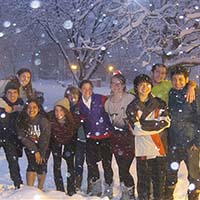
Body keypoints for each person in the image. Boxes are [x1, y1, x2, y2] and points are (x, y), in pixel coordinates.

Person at [126, 74, 170, 200]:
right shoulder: (132, 107)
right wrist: (155, 125)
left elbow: (166, 122)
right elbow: (136, 130)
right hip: (142, 149)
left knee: (159, 182)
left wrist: (144, 124)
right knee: (143, 183)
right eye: (141, 85)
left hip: (159, 147)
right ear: (136, 87)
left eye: (147, 84)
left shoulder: (160, 103)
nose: (145, 87)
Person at [165, 66, 200, 200]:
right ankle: (168, 197)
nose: (177, 82)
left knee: (194, 174)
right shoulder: (172, 93)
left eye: (181, 79)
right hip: (174, 142)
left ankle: (193, 196)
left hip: (190, 142)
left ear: (186, 79)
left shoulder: (194, 92)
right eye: (174, 79)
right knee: (170, 173)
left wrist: (197, 142)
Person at [78, 80, 113, 198]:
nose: (87, 91)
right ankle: (97, 188)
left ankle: (109, 189)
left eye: (89, 88)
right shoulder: (79, 104)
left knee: (107, 164)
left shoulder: (101, 99)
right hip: (91, 137)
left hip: (106, 136)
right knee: (92, 164)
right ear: (80, 90)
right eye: (84, 88)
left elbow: (113, 105)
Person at [104, 73, 136, 200]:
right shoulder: (107, 103)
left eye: (119, 83)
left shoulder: (130, 98)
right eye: (113, 83)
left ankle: (131, 191)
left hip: (129, 137)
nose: (116, 86)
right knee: (120, 166)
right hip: (116, 139)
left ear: (123, 85)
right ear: (110, 85)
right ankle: (125, 192)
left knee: (125, 168)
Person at [16, 99, 50, 190]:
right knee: (31, 164)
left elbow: (45, 137)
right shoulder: (22, 120)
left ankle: (40, 188)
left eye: (34, 107)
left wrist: (41, 153)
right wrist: (35, 151)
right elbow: (23, 137)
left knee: (42, 165)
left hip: (44, 146)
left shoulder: (43, 120)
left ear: (38, 109)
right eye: (29, 107)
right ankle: (30, 189)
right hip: (30, 146)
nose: (31, 110)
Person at [47, 98, 77, 196]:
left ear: (66, 111)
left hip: (69, 141)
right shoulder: (50, 118)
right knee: (57, 164)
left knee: (70, 165)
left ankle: (71, 188)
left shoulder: (73, 120)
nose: (58, 113)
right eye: (56, 110)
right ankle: (60, 188)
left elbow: (78, 128)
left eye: (61, 110)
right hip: (55, 141)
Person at [129, 63, 196, 104]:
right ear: (152, 73)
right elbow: (128, 94)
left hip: (162, 118)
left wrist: (191, 86)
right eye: (157, 72)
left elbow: (185, 82)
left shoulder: (169, 84)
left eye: (163, 73)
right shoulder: (143, 86)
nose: (160, 75)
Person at [0, 82, 24, 189]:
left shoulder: (21, 106)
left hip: (12, 138)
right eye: (9, 93)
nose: (12, 95)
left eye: (15, 93)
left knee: (13, 161)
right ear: (5, 94)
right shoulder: (2, 104)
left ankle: (18, 184)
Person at [64, 86, 87, 192]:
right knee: (70, 162)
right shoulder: (65, 107)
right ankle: (71, 185)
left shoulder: (82, 106)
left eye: (75, 95)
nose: (72, 97)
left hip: (81, 138)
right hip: (70, 138)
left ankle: (78, 184)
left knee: (79, 162)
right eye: (70, 95)